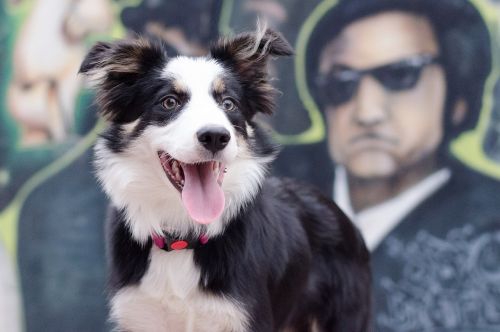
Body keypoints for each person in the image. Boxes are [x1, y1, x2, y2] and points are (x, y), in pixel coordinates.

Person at [303, 0, 500, 330]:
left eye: (400, 75)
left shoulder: (490, 230)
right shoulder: (261, 184)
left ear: (459, 98)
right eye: (342, 83)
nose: (367, 112)